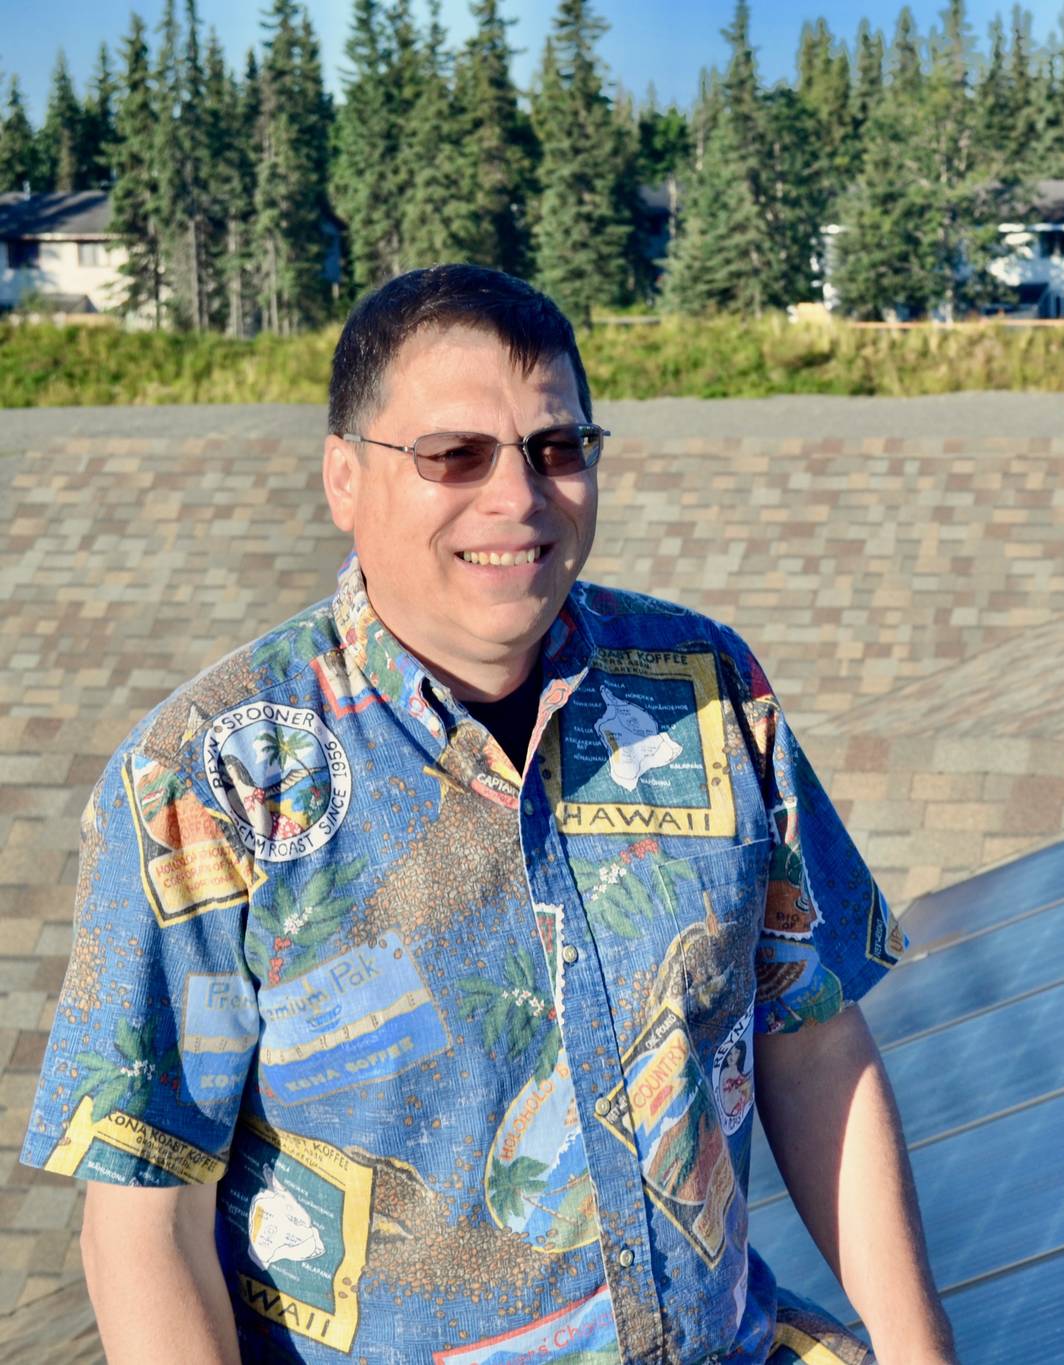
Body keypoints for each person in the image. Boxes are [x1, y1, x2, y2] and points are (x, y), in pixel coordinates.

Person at [22, 266, 957, 1364]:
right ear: (343, 477)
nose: (517, 498)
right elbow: (144, 1218)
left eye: (556, 449)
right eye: (452, 456)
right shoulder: (213, 779)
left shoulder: (704, 691)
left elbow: (814, 1047)